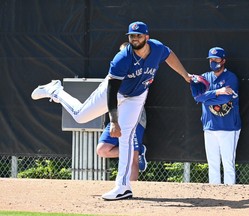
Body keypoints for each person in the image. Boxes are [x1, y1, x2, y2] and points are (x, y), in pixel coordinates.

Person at [31, 21, 192, 200]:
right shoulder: (122, 58)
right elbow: (112, 93)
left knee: (127, 138)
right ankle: (56, 91)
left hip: (136, 96)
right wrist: (114, 122)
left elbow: (169, 55)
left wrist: (185, 75)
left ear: (147, 37)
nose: (135, 38)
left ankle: (123, 186)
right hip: (114, 93)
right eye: (131, 36)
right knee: (80, 116)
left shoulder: (157, 48)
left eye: (138, 35)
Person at [97, 42, 148, 180]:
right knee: (102, 150)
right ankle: (136, 151)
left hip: (134, 117)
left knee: (133, 158)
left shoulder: (139, 70)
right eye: (121, 53)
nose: (123, 56)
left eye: (127, 53)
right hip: (117, 119)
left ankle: (129, 190)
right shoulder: (116, 69)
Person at [193, 47, 241, 185]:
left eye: (216, 59)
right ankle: (215, 198)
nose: (213, 62)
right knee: (212, 164)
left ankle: (230, 194)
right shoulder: (204, 78)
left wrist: (207, 97)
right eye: (211, 59)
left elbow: (226, 99)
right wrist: (218, 92)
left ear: (223, 60)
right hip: (210, 126)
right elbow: (197, 97)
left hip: (228, 127)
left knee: (228, 164)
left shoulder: (231, 77)